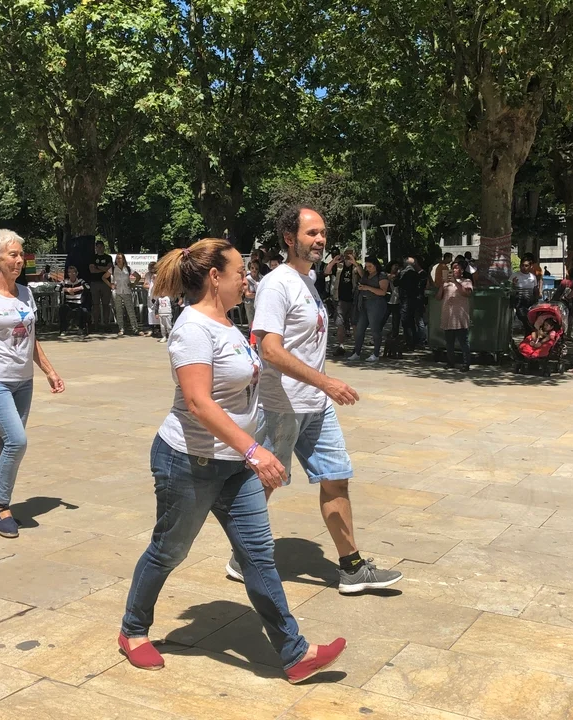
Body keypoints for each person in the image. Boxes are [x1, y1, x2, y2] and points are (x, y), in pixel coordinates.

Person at [119, 238, 346, 683]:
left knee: (258, 555)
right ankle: (133, 630)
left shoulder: (226, 323)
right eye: (241, 271)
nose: (248, 279)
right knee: (169, 550)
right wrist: (254, 449)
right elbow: (198, 402)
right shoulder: (192, 329)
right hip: (189, 462)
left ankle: (295, 653)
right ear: (214, 277)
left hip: (235, 464)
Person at [225, 205, 402, 594]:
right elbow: (269, 349)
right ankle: (242, 556)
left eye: (322, 233)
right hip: (281, 405)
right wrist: (326, 382)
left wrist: (321, 389)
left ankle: (352, 568)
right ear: (290, 239)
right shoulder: (277, 284)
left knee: (336, 478)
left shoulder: (310, 279)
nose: (321, 239)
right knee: (265, 482)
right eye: (312, 233)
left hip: (316, 406)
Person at [0, 229, 66, 538]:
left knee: (8, 442)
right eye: (13, 255)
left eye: (21, 254)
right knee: (17, 441)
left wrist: (49, 371)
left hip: (24, 381)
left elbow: (31, 338)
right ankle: (0, 506)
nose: (20, 260)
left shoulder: (25, 293)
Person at [346, 257, 390, 362]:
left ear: (376, 265)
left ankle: (376, 353)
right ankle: (357, 352)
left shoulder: (381, 275)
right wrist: (355, 263)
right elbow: (361, 272)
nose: (368, 268)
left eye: (370, 266)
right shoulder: (366, 274)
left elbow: (383, 292)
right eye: (366, 266)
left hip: (376, 303)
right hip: (364, 302)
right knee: (359, 329)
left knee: (375, 329)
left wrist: (368, 288)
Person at [437, 259, 473, 371]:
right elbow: (438, 297)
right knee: (449, 342)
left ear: (462, 270)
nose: (454, 270)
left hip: (460, 317)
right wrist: (442, 285)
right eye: (452, 268)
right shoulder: (446, 283)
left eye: (457, 268)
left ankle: (466, 363)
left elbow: (466, 293)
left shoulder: (466, 281)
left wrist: (455, 282)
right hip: (448, 315)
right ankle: (450, 362)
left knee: (463, 342)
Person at [326, 248, 359, 354]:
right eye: (346, 254)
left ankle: (357, 347)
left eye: (350, 254)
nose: (348, 256)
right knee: (340, 324)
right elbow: (326, 272)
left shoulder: (357, 267)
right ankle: (341, 346)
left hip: (353, 300)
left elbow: (363, 275)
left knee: (354, 324)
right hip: (340, 299)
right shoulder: (338, 266)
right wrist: (333, 261)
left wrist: (355, 263)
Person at [108, 252, 141, 336]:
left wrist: (133, 284)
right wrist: (111, 285)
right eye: (117, 258)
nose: (118, 260)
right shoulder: (113, 269)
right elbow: (104, 277)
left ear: (123, 259)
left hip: (127, 291)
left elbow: (138, 276)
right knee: (119, 311)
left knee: (130, 311)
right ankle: (121, 328)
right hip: (117, 292)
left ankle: (135, 328)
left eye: (120, 258)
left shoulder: (128, 269)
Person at [510, 253, 541, 331]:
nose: (524, 267)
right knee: (524, 317)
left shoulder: (533, 277)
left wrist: (537, 300)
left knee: (530, 319)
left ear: (531, 266)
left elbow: (535, 289)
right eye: (522, 265)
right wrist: (513, 285)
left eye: (526, 266)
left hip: (530, 302)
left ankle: (529, 334)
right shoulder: (514, 275)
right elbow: (509, 289)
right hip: (519, 302)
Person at [88, 240, 114, 330]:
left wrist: (98, 267)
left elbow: (109, 269)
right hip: (95, 283)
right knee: (95, 304)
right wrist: (104, 269)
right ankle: (95, 324)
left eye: (101, 246)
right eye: (98, 246)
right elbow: (92, 270)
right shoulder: (92, 257)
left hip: (106, 283)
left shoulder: (108, 257)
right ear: (95, 248)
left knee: (106, 304)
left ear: (104, 247)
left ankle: (106, 323)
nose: (99, 248)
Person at [59, 265, 90, 337]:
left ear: (76, 273)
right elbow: (56, 288)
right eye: (70, 272)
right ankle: (63, 329)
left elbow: (88, 287)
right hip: (68, 303)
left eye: (73, 272)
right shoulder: (65, 281)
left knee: (84, 311)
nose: (72, 274)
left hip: (78, 303)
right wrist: (67, 289)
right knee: (62, 309)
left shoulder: (80, 281)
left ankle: (81, 328)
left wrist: (76, 289)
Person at [142, 261, 159, 336]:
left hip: (158, 294)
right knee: (150, 310)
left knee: (158, 310)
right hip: (150, 295)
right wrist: (151, 287)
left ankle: (158, 328)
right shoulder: (147, 274)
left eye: (152, 266)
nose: (151, 268)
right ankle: (150, 328)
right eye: (150, 267)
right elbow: (145, 285)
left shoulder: (159, 274)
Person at [244, 259, 262, 326]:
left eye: (256, 268)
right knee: (251, 324)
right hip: (250, 305)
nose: (254, 270)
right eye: (252, 268)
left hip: (259, 304)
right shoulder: (247, 279)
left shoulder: (261, 278)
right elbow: (247, 294)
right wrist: (257, 295)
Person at [387, 261, 402, 338]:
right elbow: (391, 277)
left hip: (396, 300)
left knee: (396, 320)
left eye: (397, 266)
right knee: (383, 318)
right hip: (388, 299)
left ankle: (394, 335)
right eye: (395, 265)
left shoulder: (400, 276)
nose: (396, 267)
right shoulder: (388, 275)